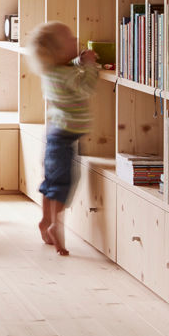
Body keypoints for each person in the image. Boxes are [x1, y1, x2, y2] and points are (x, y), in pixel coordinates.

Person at [27, 21, 98, 256]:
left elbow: (68, 65)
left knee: (50, 181)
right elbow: (87, 87)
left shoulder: (52, 71)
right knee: (63, 183)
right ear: (57, 52)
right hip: (66, 137)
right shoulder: (68, 75)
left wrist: (78, 60)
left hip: (54, 134)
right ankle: (57, 224)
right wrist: (90, 65)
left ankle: (44, 219)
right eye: (69, 38)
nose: (75, 38)